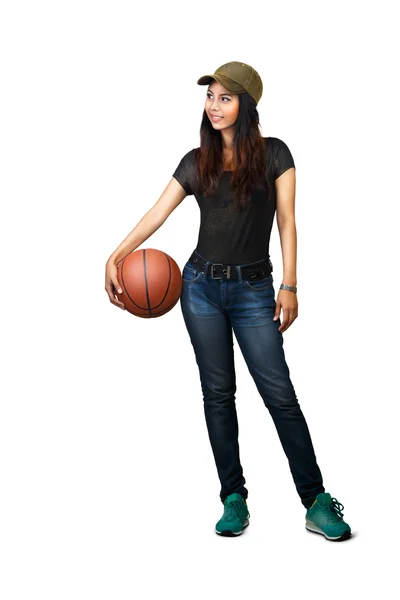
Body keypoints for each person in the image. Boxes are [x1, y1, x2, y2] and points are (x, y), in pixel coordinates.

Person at [105, 61, 351, 542]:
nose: (214, 106)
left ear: (247, 106)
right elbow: (158, 211)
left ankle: (316, 501)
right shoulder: (197, 161)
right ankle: (233, 499)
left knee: (279, 395)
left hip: (256, 291)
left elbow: (287, 221)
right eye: (210, 96)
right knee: (218, 395)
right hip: (200, 289)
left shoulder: (276, 154)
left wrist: (291, 285)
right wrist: (116, 253)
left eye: (225, 98)